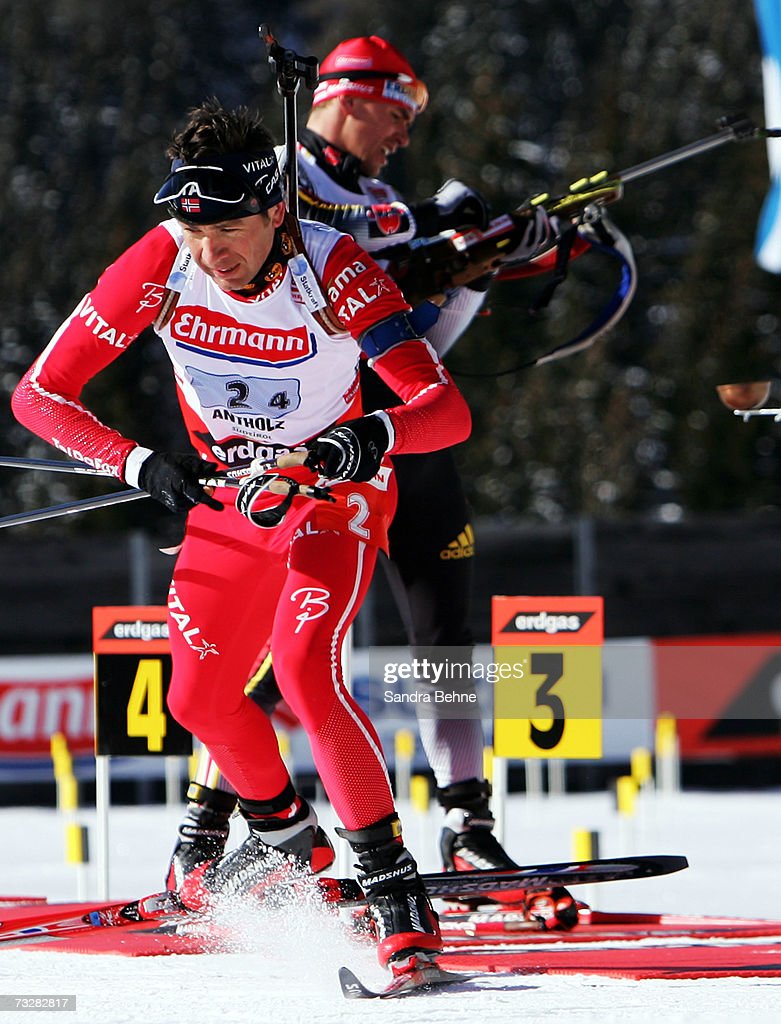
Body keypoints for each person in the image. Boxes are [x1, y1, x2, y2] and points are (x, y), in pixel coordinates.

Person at [12, 98, 476, 971]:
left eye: (226, 229)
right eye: (191, 229)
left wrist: (366, 437)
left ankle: (398, 900)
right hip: (231, 498)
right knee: (197, 700)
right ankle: (287, 836)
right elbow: (39, 396)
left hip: (329, 490)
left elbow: (443, 411)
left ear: (274, 213)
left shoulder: (332, 271)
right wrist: (138, 463)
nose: (208, 251)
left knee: (303, 668)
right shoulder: (163, 260)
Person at [166, 37, 576, 928]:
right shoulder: (268, 174)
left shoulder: (388, 200)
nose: (401, 135)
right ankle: (208, 827)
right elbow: (318, 257)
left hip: (399, 436)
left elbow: (422, 339)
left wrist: (498, 259)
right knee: (276, 650)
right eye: (398, 113)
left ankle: (466, 819)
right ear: (349, 98)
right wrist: (436, 235)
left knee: (446, 634)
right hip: (298, 447)